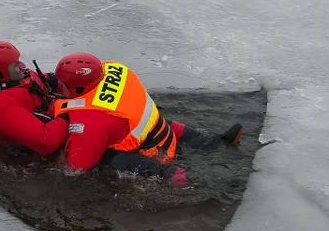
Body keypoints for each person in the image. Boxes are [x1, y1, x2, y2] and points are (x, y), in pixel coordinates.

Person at [47, 52, 242, 182]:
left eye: (63, 84)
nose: (59, 87)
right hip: (161, 129)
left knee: (105, 156)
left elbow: (76, 168)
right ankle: (219, 140)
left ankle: (171, 176)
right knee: (163, 124)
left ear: (78, 87)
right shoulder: (115, 69)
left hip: (153, 155)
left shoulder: (91, 121)